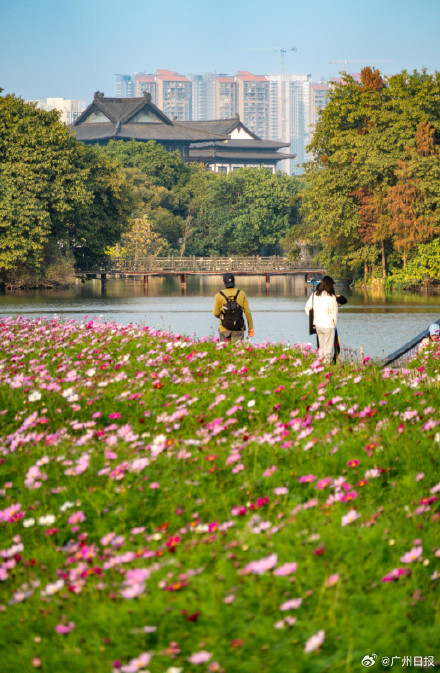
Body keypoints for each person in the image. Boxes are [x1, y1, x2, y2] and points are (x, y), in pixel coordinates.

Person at [305, 275, 338, 364]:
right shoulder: (331, 297)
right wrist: (334, 323)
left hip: (318, 325)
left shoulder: (314, 295)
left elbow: (307, 308)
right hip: (328, 326)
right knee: (328, 349)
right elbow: (334, 312)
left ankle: (319, 364)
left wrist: (314, 317)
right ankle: (327, 366)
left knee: (321, 348)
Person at [213, 273, 254, 343]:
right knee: (237, 351)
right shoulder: (241, 293)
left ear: (223, 282)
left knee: (225, 350)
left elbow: (215, 313)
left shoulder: (219, 295)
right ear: (234, 280)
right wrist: (250, 328)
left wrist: (224, 317)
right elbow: (247, 312)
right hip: (238, 328)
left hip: (224, 328)